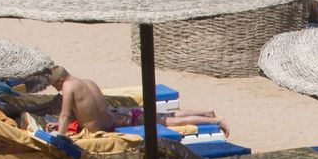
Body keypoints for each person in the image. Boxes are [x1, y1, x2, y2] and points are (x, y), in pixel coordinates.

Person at [49, 66, 224, 135]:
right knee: (164, 115)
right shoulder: (87, 81)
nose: (58, 90)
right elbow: (85, 112)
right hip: (119, 115)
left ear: (60, 81)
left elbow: (65, 115)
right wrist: (59, 126)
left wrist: (59, 136)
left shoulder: (68, 87)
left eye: (56, 87)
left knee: (167, 121)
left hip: (116, 122)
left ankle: (215, 120)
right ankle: (206, 112)